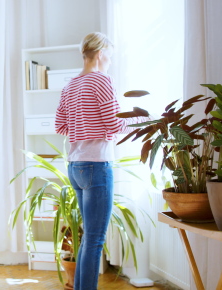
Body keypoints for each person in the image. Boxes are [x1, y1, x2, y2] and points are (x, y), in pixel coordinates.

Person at [55, 32, 147, 290]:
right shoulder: (102, 81)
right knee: (95, 239)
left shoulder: (70, 85)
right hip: (96, 166)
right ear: (100, 53)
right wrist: (143, 120)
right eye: (110, 55)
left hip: (75, 167)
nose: (110, 61)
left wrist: (84, 125)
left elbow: (61, 126)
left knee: (89, 238)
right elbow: (114, 124)